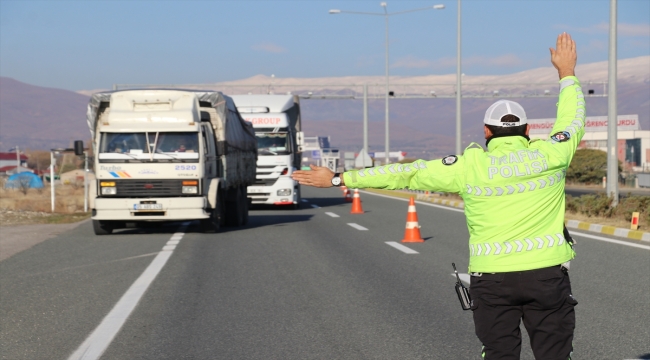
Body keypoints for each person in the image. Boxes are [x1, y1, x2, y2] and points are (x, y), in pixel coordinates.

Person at [292, 33, 583, 360]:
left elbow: (406, 173)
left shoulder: (468, 166)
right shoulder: (553, 154)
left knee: (500, 354)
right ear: (528, 131)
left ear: (486, 132)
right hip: (547, 276)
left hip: (492, 280)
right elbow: (572, 119)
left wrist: (337, 178)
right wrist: (567, 72)